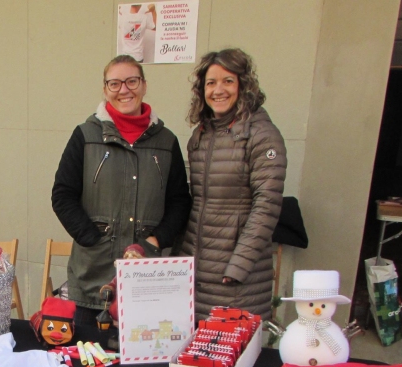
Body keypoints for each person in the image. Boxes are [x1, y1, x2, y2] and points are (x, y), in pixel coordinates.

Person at [52, 55, 191, 328]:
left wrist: (156, 241)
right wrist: (91, 238)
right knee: (88, 360)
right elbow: (62, 194)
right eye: (114, 83)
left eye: (131, 81)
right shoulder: (85, 136)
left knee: (144, 366)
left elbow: (179, 201)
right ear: (105, 89)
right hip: (94, 276)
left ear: (144, 85)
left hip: (146, 276)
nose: (124, 90)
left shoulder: (166, 141)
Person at [176, 48, 286, 321]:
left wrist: (238, 266)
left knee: (230, 355)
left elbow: (267, 206)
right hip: (198, 269)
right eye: (211, 83)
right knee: (196, 352)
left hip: (236, 275)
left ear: (244, 85)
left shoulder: (262, 135)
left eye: (228, 81)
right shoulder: (200, 135)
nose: (218, 90)